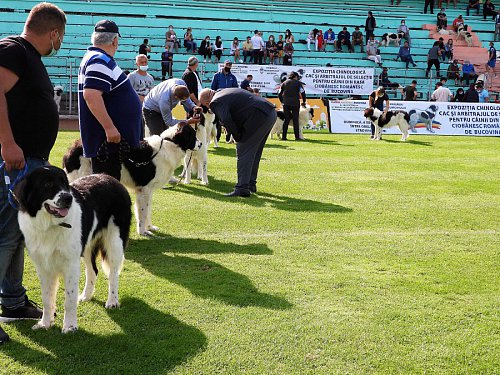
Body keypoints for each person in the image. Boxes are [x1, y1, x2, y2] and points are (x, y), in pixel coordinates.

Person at [0, 2, 66, 345]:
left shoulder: (28, 57)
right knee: (6, 236)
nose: (60, 43)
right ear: (53, 32)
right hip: (15, 161)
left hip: (30, 162)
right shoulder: (14, 50)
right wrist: (8, 143)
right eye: (61, 37)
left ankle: (12, 302)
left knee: (18, 234)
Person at [78, 20, 142, 181]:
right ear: (115, 41)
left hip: (111, 144)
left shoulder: (96, 58)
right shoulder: (99, 60)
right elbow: (91, 95)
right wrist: (109, 128)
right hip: (107, 145)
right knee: (108, 194)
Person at [198, 88, 277, 197]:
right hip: (269, 112)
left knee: (243, 150)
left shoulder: (215, 101)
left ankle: (242, 188)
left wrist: (237, 136)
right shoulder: (224, 92)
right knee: (255, 152)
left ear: (207, 102)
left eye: (204, 105)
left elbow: (226, 119)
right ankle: (250, 184)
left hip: (259, 116)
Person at [278, 71, 307, 141]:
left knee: (286, 120)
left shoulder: (284, 83)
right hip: (295, 104)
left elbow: (279, 93)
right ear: (295, 77)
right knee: (295, 120)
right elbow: (303, 93)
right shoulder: (298, 83)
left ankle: (284, 137)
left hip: (286, 103)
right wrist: (304, 101)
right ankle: (297, 137)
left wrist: (282, 102)